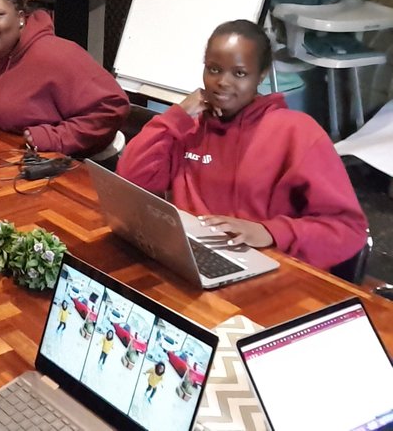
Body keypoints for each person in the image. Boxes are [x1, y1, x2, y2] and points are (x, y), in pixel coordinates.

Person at [116, 19, 368, 270]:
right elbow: (130, 180)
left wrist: (270, 231)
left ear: (262, 75)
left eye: (239, 73)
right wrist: (176, 115)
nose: (223, 82)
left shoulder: (297, 132)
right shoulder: (188, 126)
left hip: (264, 266)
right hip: (187, 258)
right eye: (214, 69)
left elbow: (348, 229)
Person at [0, 0, 129, 156]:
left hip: (55, 164)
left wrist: (52, 137)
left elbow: (112, 107)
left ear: (20, 17)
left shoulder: (58, 55)